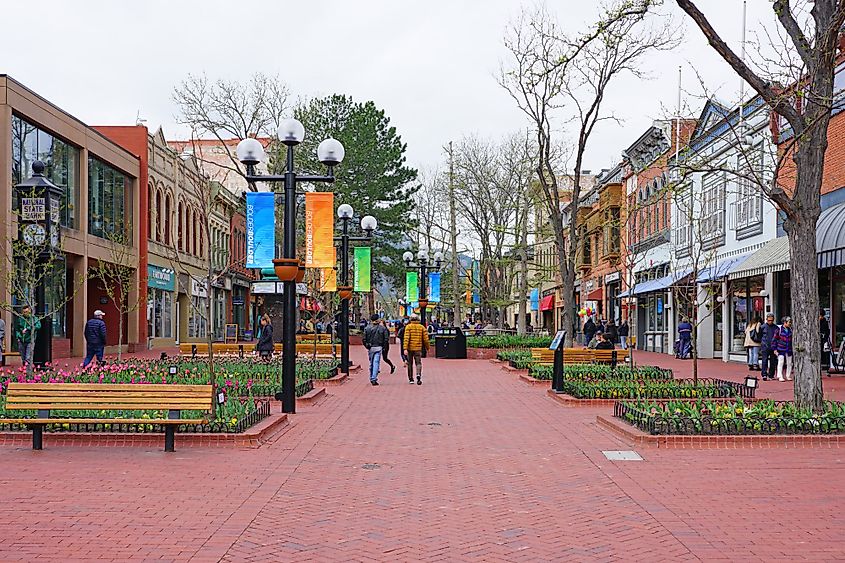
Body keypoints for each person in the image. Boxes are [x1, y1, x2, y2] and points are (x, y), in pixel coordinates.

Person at [403, 314, 430, 385]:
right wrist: (428, 347)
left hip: (409, 349)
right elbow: (426, 339)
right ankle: (418, 374)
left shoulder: (408, 327)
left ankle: (411, 378)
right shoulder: (422, 327)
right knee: (418, 363)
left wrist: (405, 348)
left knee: (410, 364)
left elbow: (406, 338)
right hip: (418, 348)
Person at [363, 314, 389, 386]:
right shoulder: (383, 328)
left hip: (371, 347)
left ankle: (372, 377)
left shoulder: (367, 328)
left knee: (372, 363)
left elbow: (364, 339)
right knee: (376, 362)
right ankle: (373, 378)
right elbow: (386, 339)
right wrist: (384, 347)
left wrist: (367, 346)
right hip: (379, 347)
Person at [773, 316, 794, 382]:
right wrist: (775, 349)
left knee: (789, 362)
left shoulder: (791, 329)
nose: (790, 323)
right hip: (781, 348)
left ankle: (788, 375)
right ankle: (780, 376)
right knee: (781, 362)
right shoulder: (779, 330)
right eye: (789, 322)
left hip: (789, 348)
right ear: (785, 322)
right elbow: (774, 339)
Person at [759, 313, 778, 381]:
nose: (770, 322)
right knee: (765, 360)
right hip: (765, 346)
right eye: (769, 320)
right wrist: (762, 343)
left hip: (773, 346)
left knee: (773, 361)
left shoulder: (776, 327)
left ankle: (771, 374)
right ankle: (764, 374)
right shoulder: (763, 327)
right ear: (766, 319)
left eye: (772, 320)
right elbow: (760, 335)